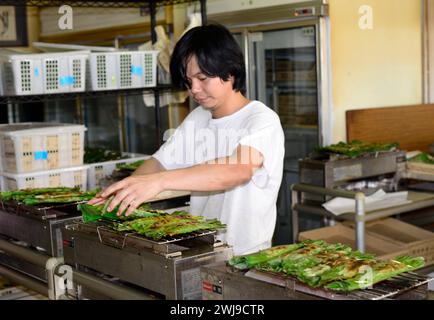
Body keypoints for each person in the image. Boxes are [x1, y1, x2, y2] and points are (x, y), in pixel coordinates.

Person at [89, 24, 285, 255]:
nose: (194, 89)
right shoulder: (198, 118)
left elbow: (237, 170)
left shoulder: (261, 120)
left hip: (244, 255)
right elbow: (160, 162)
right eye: (189, 80)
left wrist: (159, 182)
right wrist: (125, 191)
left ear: (229, 72)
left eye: (202, 78)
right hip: (200, 249)